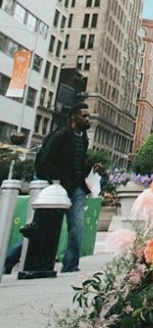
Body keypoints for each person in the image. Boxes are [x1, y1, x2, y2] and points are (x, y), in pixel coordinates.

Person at [3, 103, 95, 275]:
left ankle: (70, 265)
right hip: (57, 188)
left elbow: (79, 163)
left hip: (76, 188)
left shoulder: (83, 138)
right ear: (73, 118)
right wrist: (55, 181)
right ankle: (9, 259)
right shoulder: (59, 136)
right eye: (84, 115)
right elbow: (44, 161)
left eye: (88, 116)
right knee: (42, 226)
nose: (87, 119)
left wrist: (84, 179)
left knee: (77, 226)